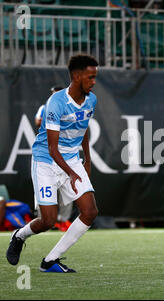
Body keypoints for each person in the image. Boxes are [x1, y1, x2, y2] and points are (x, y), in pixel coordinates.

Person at [6, 54, 99, 273]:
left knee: (90, 211)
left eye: (95, 77)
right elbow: (52, 148)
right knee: (47, 221)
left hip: (71, 159)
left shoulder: (91, 99)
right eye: (90, 77)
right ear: (76, 76)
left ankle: (50, 261)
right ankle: (19, 236)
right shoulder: (55, 103)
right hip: (46, 160)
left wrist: (87, 158)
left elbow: (83, 127)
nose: (94, 82)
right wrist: (72, 173)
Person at [34, 85, 73, 232]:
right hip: (46, 155)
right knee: (44, 190)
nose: (54, 96)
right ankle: (44, 220)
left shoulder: (69, 109)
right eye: (53, 93)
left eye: (57, 93)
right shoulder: (45, 107)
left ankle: (63, 221)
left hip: (63, 154)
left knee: (67, 189)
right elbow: (38, 121)